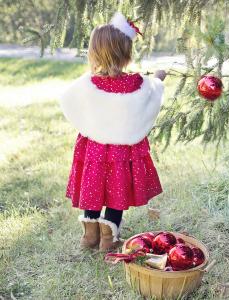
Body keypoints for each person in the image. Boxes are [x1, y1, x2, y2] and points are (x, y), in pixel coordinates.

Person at [59, 12, 166, 252]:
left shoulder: (88, 83)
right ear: (127, 54)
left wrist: (90, 124)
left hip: (94, 149)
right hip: (122, 152)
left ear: (94, 53)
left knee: (94, 187)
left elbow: (67, 98)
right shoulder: (137, 84)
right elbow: (152, 93)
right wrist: (159, 77)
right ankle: (109, 238)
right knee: (118, 190)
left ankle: (90, 235)